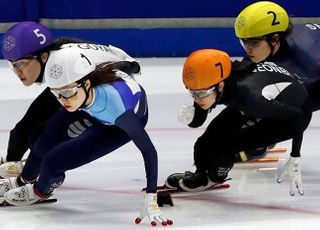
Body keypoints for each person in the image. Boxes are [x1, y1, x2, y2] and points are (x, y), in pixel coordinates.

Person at [0, 47, 172, 226]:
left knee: (53, 161)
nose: (63, 100)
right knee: (45, 139)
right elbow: (110, 56)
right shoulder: (74, 90)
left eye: (66, 92)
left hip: (116, 125)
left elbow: (149, 150)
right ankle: (23, 179)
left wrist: (151, 196)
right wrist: (129, 64)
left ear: (87, 84)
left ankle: (39, 192)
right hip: (87, 103)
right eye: (56, 93)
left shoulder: (118, 108)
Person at [0, 21, 140, 178]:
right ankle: (13, 167)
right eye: (13, 65)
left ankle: (36, 176)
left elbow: (123, 64)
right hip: (76, 84)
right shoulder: (58, 54)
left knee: (41, 137)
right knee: (28, 129)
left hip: (110, 101)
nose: (18, 72)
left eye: (22, 64)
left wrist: (129, 67)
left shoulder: (63, 62)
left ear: (43, 56)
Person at [166, 49, 311, 196]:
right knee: (204, 142)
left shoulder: (249, 96)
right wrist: (192, 119)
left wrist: (295, 156)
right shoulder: (211, 83)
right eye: (192, 92)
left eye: (201, 93)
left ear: (220, 86)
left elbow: (297, 116)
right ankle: (201, 174)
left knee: (226, 145)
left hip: (290, 117)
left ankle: (214, 177)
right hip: (263, 102)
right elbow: (200, 112)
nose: (197, 98)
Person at [233, 1, 320, 162]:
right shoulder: (261, 53)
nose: (247, 48)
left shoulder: (310, 55)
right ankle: (260, 142)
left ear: (274, 39)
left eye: (253, 42)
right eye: (243, 41)